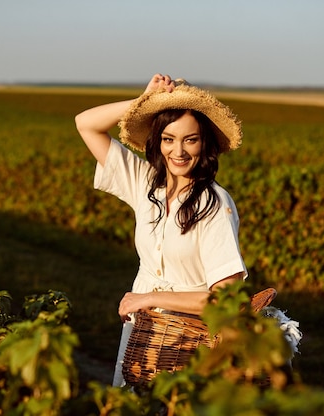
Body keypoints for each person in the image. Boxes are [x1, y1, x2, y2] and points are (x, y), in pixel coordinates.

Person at [75, 73, 248, 387]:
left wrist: (148, 299)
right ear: (157, 142)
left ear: (204, 143)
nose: (178, 151)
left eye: (190, 139)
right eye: (169, 139)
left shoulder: (214, 204)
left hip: (189, 343)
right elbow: (85, 123)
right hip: (141, 335)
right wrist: (144, 101)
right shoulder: (145, 184)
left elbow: (226, 302)